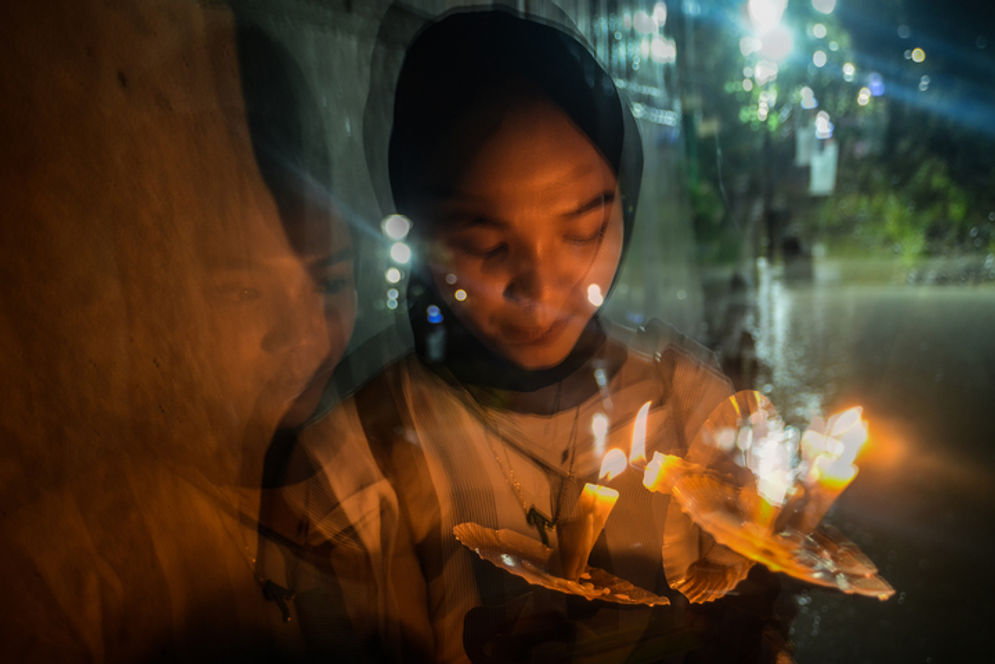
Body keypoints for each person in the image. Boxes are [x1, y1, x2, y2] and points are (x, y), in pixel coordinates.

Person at [288, 7, 786, 662]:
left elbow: (753, 605)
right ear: (417, 230)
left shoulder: (690, 406)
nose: (539, 284)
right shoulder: (360, 467)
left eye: (582, 229)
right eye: (482, 241)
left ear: (624, 202)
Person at [0, 2, 347, 659]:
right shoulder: (73, 561)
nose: (305, 335)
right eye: (241, 291)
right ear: (154, 296)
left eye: (331, 284)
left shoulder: (366, 485)